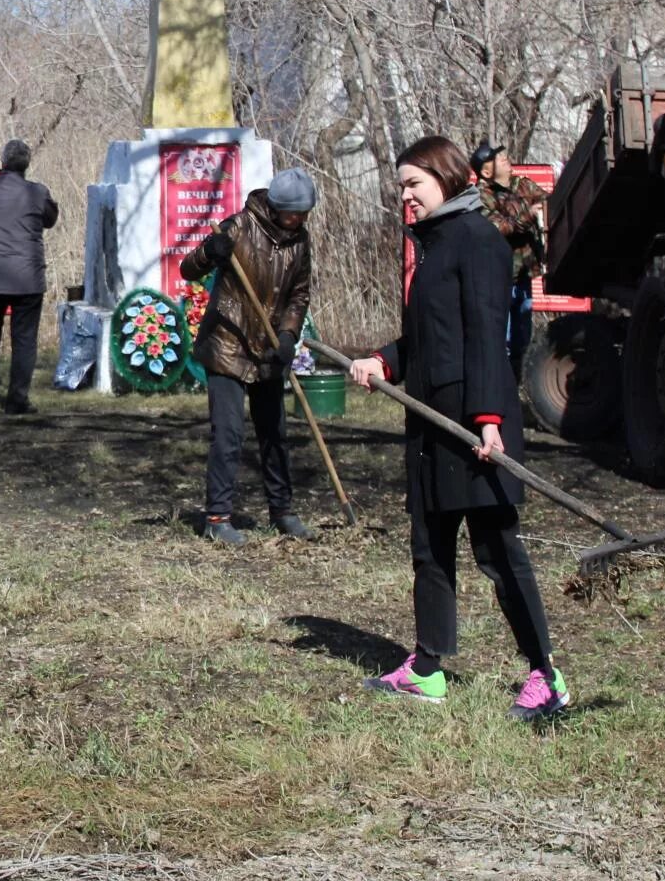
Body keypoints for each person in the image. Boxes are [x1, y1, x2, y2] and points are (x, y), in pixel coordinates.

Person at [348, 136, 568, 723]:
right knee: (431, 545)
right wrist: (384, 360)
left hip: (473, 423)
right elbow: (429, 337)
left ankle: (546, 676)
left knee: (497, 550)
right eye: (401, 187)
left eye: (413, 184)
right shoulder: (434, 247)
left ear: (446, 179)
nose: (406, 197)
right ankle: (427, 669)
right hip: (428, 419)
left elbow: (488, 338)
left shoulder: (478, 242)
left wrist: (491, 419)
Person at [180, 166, 317, 546]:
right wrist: (211, 252)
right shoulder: (239, 227)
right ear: (275, 208)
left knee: (275, 432)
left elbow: (299, 294)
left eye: (304, 214)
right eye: (294, 214)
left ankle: (282, 510)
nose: (299, 220)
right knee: (228, 434)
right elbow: (188, 268)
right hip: (227, 345)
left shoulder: (300, 241)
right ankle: (217, 516)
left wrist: (288, 336)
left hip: (269, 349)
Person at [0, 139, 60, 414]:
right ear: (27, 165)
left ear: (2, 162)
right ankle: (17, 400)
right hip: (28, 279)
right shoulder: (37, 193)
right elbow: (51, 220)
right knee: (25, 339)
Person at [470, 140, 548, 381]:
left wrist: (539, 210)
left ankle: (518, 387)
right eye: (496, 157)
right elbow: (501, 226)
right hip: (498, 279)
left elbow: (545, 201)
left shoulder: (521, 184)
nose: (504, 157)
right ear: (486, 171)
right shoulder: (479, 196)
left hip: (523, 276)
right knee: (500, 338)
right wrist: (529, 214)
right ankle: (498, 386)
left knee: (523, 336)